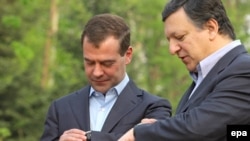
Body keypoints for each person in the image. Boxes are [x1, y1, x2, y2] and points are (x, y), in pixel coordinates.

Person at [118, 0, 250, 141]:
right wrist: (161, 129)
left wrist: (141, 133)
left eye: (179, 37)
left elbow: (199, 127)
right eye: (169, 40)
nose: (172, 49)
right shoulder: (202, 80)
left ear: (211, 28)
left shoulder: (244, 70)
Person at [40, 13, 172, 141]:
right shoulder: (60, 108)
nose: (97, 72)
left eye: (107, 63)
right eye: (89, 62)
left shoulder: (154, 108)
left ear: (128, 55)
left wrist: (90, 137)